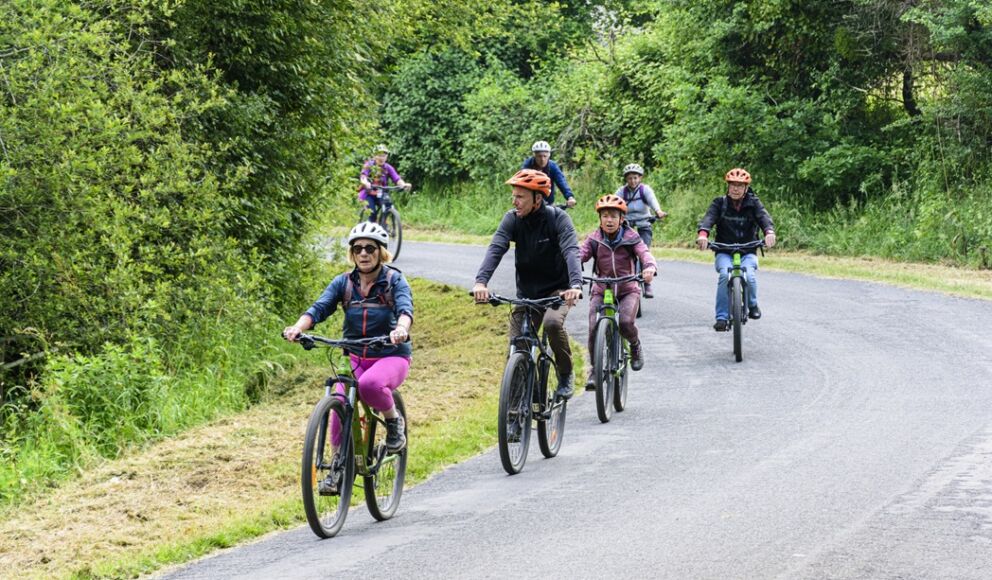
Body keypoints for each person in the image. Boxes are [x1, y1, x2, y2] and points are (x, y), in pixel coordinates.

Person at [283, 222, 413, 492]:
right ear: (352, 254)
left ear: (381, 252)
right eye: (358, 249)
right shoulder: (343, 282)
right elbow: (319, 308)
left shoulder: (393, 281)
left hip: (390, 355)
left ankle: (393, 422)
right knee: (339, 401)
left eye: (370, 248)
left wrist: (401, 329)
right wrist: (298, 327)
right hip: (354, 354)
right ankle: (337, 467)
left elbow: (405, 308)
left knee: (369, 385)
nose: (363, 253)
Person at [473, 169, 584, 399]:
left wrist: (575, 285)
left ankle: (565, 373)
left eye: (520, 196)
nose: (515, 201)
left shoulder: (558, 219)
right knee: (518, 345)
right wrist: (481, 282)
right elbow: (496, 247)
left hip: (559, 289)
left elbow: (572, 251)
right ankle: (515, 412)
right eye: (513, 195)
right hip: (528, 293)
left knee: (553, 323)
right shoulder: (512, 218)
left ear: (537, 198)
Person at [579, 195, 657, 390]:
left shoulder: (632, 237)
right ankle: (595, 371)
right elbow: (579, 254)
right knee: (593, 327)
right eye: (605, 216)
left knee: (625, 322)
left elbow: (644, 253)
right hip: (601, 288)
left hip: (627, 288)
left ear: (621, 218)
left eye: (614, 216)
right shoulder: (594, 239)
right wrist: (569, 268)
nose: (609, 220)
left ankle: (635, 345)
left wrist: (649, 267)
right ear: (600, 218)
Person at [695, 167, 776, 331]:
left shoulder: (753, 203)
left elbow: (764, 218)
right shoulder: (720, 203)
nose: (736, 189)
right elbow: (709, 218)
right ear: (728, 186)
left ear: (746, 188)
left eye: (740, 185)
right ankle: (722, 318)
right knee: (725, 275)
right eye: (733, 185)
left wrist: (769, 232)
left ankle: (752, 304)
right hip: (724, 250)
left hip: (748, 250)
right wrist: (703, 235)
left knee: (750, 275)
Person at [615, 163, 667, 298]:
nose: (633, 181)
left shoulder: (645, 190)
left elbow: (653, 201)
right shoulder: (622, 191)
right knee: (625, 251)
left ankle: (647, 282)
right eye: (630, 178)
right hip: (627, 224)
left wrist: (658, 211)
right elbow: (614, 203)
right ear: (626, 179)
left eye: (635, 178)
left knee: (644, 251)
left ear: (640, 178)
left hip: (644, 222)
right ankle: (624, 279)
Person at [359, 145, 412, 223]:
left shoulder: (388, 167)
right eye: (379, 155)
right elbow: (363, 176)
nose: (382, 158)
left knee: (388, 206)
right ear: (374, 156)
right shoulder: (369, 165)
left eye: (384, 156)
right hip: (368, 194)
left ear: (386, 157)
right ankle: (370, 227)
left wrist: (403, 185)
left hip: (381, 193)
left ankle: (384, 224)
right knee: (372, 213)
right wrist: (365, 182)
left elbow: (397, 179)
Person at [521, 140, 577, 208]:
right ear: (534, 156)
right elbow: (522, 183)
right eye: (539, 156)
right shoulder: (527, 165)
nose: (542, 159)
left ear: (549, 155)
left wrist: (570, 197)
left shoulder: (552, 166)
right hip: (530, 201)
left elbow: (561, 182)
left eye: (545, 156)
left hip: (548, 203)